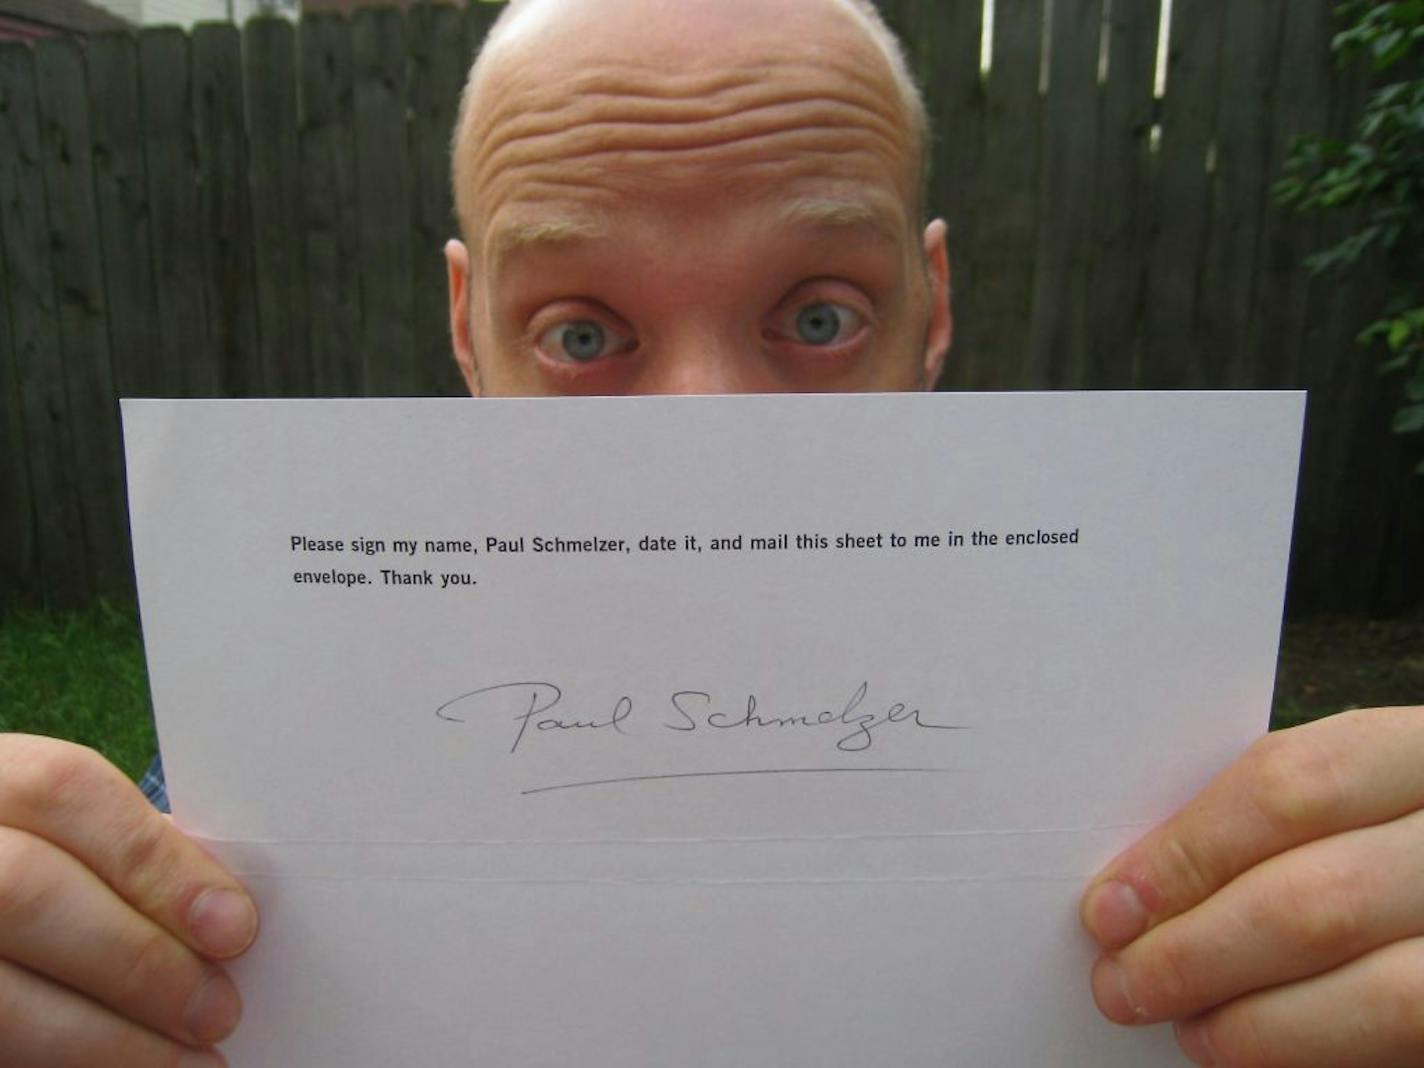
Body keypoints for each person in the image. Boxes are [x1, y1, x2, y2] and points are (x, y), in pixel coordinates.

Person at [0, 1, 1419, 1064]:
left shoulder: (1169, 733)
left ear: (929, 311)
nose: (699, 428)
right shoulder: (278, 743)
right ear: (465, 331)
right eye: (581, 331)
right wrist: (71, 940)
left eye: (816, 317)